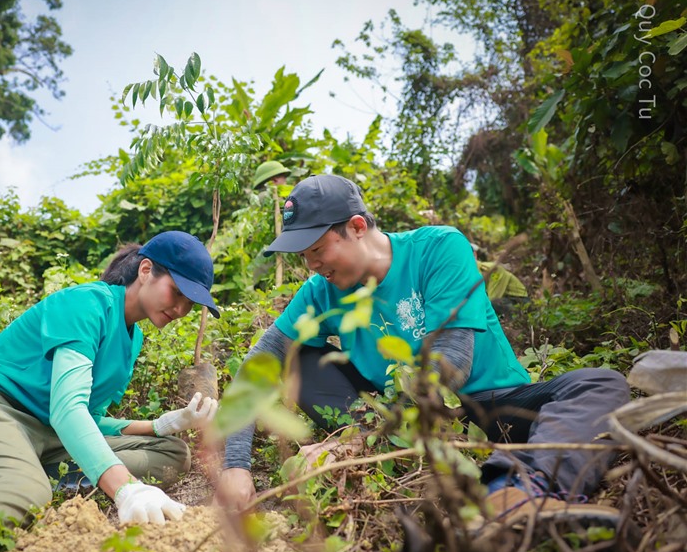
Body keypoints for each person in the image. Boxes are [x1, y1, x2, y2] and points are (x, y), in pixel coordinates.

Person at [217, 174, 629, 528]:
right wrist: (236, 465)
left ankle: (521, 492)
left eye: (318, 250)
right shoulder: (320, 292)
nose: (313, 266)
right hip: (393, 420)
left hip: (486, 406)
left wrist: (372, 434)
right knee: (295, 360)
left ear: (357, 226)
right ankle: (385, 443)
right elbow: (258, 365)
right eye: (305, 256)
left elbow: (453, 358)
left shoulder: (438, 248)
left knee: (600, 383)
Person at [0, 231, 220, 552]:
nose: (181, 309)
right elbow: (67, 409)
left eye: (191, 304)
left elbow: (88, 419)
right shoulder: (86, 305)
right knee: (25, 492)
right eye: (177, 292)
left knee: (172, 453)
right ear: (145, 271)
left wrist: (162, 425)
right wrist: (126, 488)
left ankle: (32, 469)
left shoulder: (133, 340)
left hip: (47, 433)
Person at [252, 160, 292, 289]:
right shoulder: (266, 197)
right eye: (283, 179)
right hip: (272, 259)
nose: (285, 183)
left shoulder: (260, 198)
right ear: (274, 181)